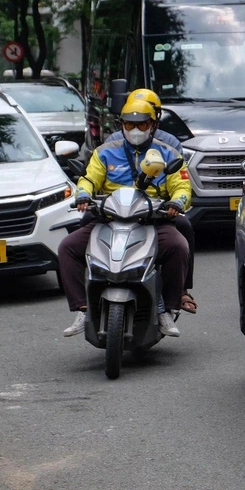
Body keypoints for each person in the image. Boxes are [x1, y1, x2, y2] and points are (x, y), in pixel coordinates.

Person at [58, 100, 192, 338]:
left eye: (142, 124)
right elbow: (89, 179)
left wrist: (177, 203)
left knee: (178, 246)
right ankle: (83, 308)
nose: (135, 130)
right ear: (121, 125)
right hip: (109, 217)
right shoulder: (105, 152)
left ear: (153, 124)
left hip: (152, 219)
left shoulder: (168, 153)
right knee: (68, 247)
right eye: (129, 124)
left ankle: (167, 309)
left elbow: (182, 186)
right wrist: (83, 194)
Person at [103, 88, 196, 305]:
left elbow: (178, 180)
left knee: (184, 230)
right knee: (80, 231)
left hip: (157, 209)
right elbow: (93, 177)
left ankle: (180, 290)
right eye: (130, 120)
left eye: (144, 118)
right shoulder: (113, 143)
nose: (136, 124)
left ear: (155, 119)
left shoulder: (169, 145)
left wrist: (175, 202)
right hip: (117, 209)